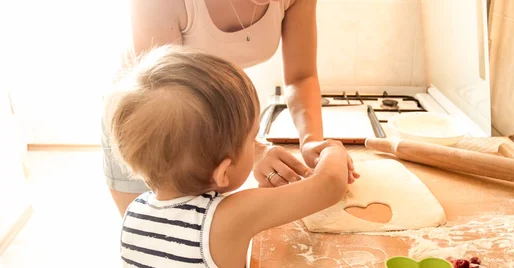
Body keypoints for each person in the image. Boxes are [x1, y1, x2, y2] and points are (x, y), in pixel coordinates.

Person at [106, 46, 348, 268]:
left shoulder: (133, 212)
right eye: (252, 138)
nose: (256, 146)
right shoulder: (226, 218)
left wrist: (260, 194)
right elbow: (330, 185)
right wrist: (333, 148)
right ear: (222, 172)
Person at [102, 0, 357, 215]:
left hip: (208, 111)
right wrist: (256, 150)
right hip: (148, 117)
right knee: (150, 234)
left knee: (198, 236)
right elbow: (162, 95)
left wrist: (311, 141)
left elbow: (301, 77)